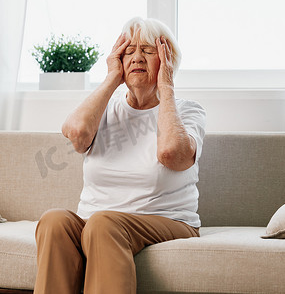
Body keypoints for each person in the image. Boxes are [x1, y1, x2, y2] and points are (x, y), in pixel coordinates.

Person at [34, 17, 206, 294]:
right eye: (129, 51)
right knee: (55, 221)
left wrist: (167, 88)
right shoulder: (104, 109)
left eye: (148, 51)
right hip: (97, 222)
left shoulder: (186, 111)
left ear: (168, 60)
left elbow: (172, 154)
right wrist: (112, 78)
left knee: (103, 223)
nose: (137, 57)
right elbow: (75, 134)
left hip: (167, 220)